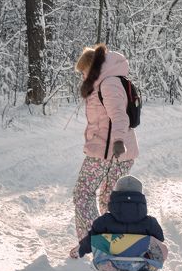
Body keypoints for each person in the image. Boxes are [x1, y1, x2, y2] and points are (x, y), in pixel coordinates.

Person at [70, 43, 139, 259]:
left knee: (82, 194)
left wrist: (118, 140)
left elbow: (119, 115)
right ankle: (113, 247)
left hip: (108, 151)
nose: (82, 76)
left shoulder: (108, 84)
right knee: (108, 200)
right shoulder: (108, 80)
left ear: (92, 67)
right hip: (117, 152)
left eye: (83, 72)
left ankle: (92, 243)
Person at [76, 173, 164, 258]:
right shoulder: (150, 223)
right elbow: (159, 240)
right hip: (142, 266)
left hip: (110, 265)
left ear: (115, 196)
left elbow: (92, 240)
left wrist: (81, 249)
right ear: (141, 199)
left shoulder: (104, 221)